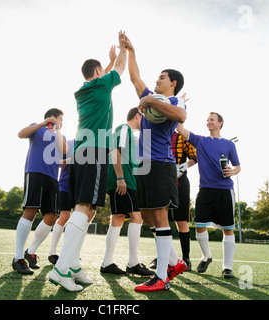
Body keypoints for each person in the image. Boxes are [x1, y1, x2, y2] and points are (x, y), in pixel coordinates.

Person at [48, 31, 128, 291]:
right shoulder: (102, 84)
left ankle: (72, 265)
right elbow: (119, 69)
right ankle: (61, 269)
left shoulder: (85, 89)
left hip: (84, 151)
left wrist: (106, 63)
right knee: (83, 208)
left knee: (89, 210)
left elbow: (103, 75)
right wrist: (123, 49)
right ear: (97, 72)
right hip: (94, 150)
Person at [123, 34, 188, 292]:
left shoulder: (174, 100)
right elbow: (135, 78)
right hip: (143, 165)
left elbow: (181, 115)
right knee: (147, 214)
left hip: (161, 164)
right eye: (157, 77)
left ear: (173, 83)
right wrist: (131, 50)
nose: (157, 79)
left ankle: (161, 278)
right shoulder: (151, 96)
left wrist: (149, 100)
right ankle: (174, 262)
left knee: (160, 216)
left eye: (162, 77)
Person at [176, 112, 241, 279]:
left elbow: (238, 166)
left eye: (212, 119)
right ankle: (206, 256)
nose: (208, 122)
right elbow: (180, 128)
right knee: (199, 225)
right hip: (205, 189)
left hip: (225, 190)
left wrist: (233, 171)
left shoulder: (229, 144)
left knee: (228, 229)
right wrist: (178, 107)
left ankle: (227, 267)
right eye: (207, 120)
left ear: (220, 123)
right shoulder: (200, 141)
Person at [12, 108, 68, 275]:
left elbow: (63, 151)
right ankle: (18, 258)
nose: (62, 122)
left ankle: (30, 252)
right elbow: (20, 134)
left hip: (52, 178)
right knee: (30, 211)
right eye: (60, 119)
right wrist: (44, 123)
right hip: (35, 173)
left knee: (51, 217)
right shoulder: (37, 128)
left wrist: (58, 130)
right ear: (51, 118)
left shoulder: (60, 135)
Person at [100, 107, 154, 277]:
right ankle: (133, 263)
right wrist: (120, 178)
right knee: (136, 217)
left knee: (118, 217)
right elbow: (114, 150)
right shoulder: (123, 128)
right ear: (138, 116)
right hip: (123, 181)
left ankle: (107, 262)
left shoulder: (131, 135)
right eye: (143, 118)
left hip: (127, 181)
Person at [149, 131, 197, 271]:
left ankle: (186, 258)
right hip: (161, 180)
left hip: (180, 181)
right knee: (161, 220)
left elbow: (195, 156)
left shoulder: (182, 136)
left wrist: (183, 167)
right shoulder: (157, 135)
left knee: (181, 220)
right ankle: (163, 257)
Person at [48, 138, 75, 265]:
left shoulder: (91, 146)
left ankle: (71, 254)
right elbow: (56, 163)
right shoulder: (68, 144)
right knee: (65, 216)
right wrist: (72, 160)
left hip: (81, 188)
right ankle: (52, 253)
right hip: (65, 185)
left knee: (82, 217)